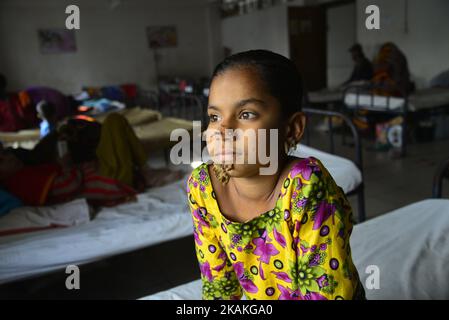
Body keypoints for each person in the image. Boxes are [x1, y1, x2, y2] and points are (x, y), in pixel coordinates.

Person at [186, 50, 365, 300]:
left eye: (246, 114)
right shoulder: (202, 188)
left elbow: (326, 294)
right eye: (214, 117)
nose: (223, 131)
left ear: (292, 128)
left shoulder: (305, 187)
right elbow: (219, 285)